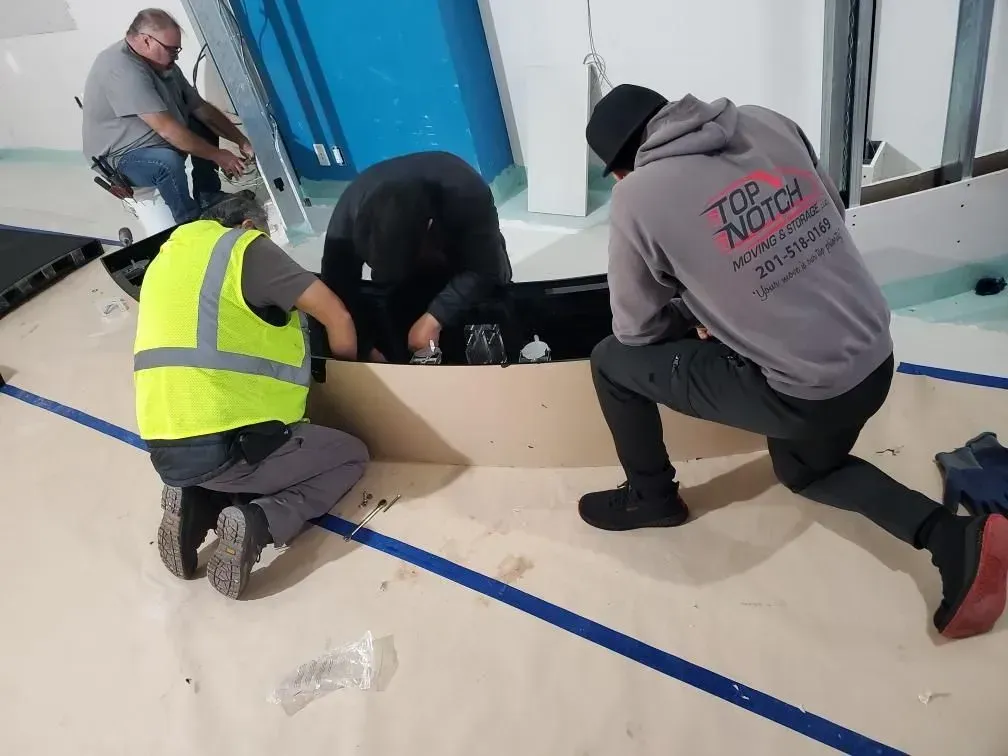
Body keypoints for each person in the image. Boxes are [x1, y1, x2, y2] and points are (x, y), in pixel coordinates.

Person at [580, 84, 1008, 640]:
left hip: (807, 395)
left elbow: (635, 331)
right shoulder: (764, 120)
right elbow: (831, 214)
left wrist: (695, 313)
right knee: (804, 471)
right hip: (875, 358)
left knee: (610, 361)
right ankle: (951, 539)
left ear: (620, 168)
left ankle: (650, 497)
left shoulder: (636, 196)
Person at [134, 194, 367, 599]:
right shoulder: (244, 247)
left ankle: (198, 499)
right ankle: (260, 520)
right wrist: (359, 387)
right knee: (350, 455)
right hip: (231, 447)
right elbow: (338, 316)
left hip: (165, 447)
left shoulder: (168, 257)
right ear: (247, 225)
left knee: (238, 462)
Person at [320, 151, 513, 363]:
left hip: (461, 239)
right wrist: (366, 347)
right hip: (408, 255)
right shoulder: (346, 220)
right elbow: (336, 294)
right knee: (398, 305)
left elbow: (485, 269)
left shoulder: (466, 193)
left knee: (491, 294)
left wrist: (435, 318)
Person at [82, 8, 251, 224]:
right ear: (146, 41)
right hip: (123, 157)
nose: (176, 56)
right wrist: (218, 155)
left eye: (177, 50)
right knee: (166, 163)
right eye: (171, 50)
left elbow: (200, 108)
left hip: (155, 141)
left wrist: (242, 141)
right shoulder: (120, 69)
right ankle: (190, 221)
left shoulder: (163, 65)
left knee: (201, 123)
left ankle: (209, 196)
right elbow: (167, 130)